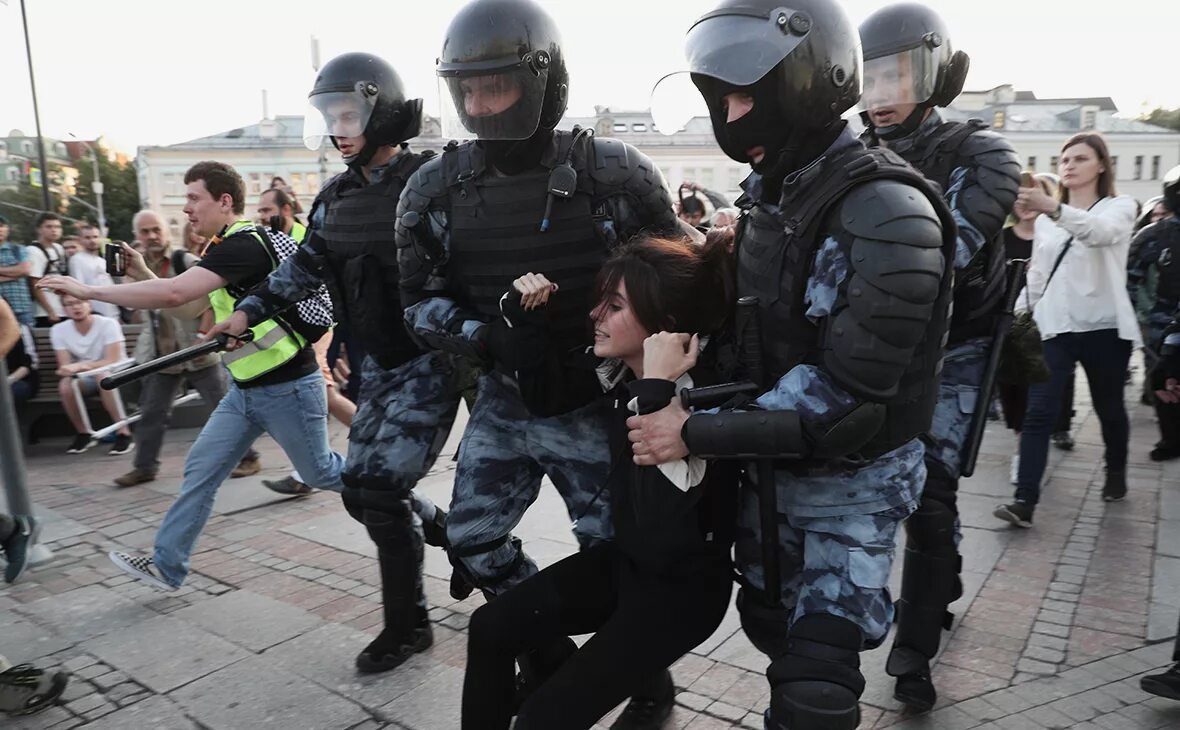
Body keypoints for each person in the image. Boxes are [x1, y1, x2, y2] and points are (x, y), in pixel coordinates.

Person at [642, 1, 956, 727]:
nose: (731, 116)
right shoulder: (772, 197)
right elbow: (751, 335)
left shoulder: (885, 208)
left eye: (744, 94)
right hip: (772, 471)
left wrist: (691, 431)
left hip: (854, 480)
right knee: (771, 629)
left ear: (807, 81)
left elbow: (848, 394)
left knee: (817, 681)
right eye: (719, 99)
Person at [397, 0, 681, 713]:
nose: (480, 103)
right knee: (472, 538)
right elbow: (418, 303)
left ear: (542, 81)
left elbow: (676, 281)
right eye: (468, 88)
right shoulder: (433, 188)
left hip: (599, 396)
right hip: (504, 393)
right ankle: (547, 650)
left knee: (614, 550)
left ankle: (644, 679)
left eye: (497, 85)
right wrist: (485, 336)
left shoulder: (613, 174)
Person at [205, 52, 456, 674]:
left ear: (385, 112)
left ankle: (411, 620)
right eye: (332, 116)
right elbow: (300, 271)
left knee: (376, 486)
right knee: (362, 495)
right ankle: (445, 545)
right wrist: (247, 312)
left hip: (434, 363)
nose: (339, 128)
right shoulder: (335, 199)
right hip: (382, 371)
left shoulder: (434, 182)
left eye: (350, 114)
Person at [463, 232, 739, 730]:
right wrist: (522, 317)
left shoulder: (695, 403)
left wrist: (656, 389)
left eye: (614, 306)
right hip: (627, 566)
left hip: (679, 596)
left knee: (540, 721)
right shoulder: (618, 372)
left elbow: (661, 524)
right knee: (490, 627)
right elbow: (547, 395)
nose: (595, 315)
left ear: (665, 328)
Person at [38, 161, 341, 591]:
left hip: (288, 387)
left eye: (194, 198)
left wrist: (89, 291)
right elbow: (187, 308)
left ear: (225, 201)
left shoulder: (244, 245)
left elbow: (176, 293)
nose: (186, 209)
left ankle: (397, 492)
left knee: (321, 473)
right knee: (200, 469)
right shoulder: (220, 251)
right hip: (245, 391)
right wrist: (144, 272)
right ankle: (168, 566)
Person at [858, 4, 1022, 711]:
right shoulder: (849, 153)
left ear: (931, 73)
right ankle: (940, 582)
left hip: (952, 349)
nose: (881, 93)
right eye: (869, 78)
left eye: (895, 75)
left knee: (929, 493)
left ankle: (914, 650)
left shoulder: (980, 152)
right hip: (873, 344)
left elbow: (948, 248)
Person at [994, 133, 1140, 527]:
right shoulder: (1046, 222)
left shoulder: (1121, 206)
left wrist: (1053, 208)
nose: (1069, 165)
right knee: (1039, 414)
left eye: (1079, 158)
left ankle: (1115, 471)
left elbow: (1099, 234)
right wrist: (1016, 317)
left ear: (1102, 165)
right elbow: (1038, 277)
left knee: (1110, 408)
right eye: (1064, 160)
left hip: (1105, 327)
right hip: (1055, 327)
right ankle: (1024, 501)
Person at [111, 210, 262, 487]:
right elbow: (135, 306)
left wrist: (204, 335)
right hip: (163, 354)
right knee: (152, 413)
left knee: (222, 406)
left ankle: (249, 457)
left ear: (166, 232)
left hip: (196, 350)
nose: (152, 236)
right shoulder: (140, 264)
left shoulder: (183, 259)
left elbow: (211, 295)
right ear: (137, 236)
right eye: (145, 232)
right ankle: (144, 467)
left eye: (156, 229)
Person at [997, 173, 1060, 483]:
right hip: (1009, 328)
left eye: (1033, 196)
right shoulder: (1001, 238)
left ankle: (1026, 456)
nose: (1026, 203)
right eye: (1020, 197)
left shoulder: (1056, 238)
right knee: (1012, 392)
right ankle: (1024, 445)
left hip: (1046, 327)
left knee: (1036, 396)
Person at [1128, 165, 1180, 461]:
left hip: (1162, 324)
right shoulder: (1153, 235)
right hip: (1161, 324)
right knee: (1162, 382)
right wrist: (1140, 321)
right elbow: (1131, 281)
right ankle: (1171, 438)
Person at [50, 293, 134, 455]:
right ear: (64, 309)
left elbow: (112, 360)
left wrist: (80, 366)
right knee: (66, 385)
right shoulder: (58, 330)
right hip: (86, 376)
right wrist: (74, 369)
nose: (76, 307)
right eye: (69, 304)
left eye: (79, 302)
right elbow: (65, 366)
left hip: (118, 373)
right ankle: (84, 433)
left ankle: (123, 433)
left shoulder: (108, 324)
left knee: (103, 377)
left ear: (89, 304)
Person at [66, 225, 120, 319]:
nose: (92, 240)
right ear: (80, 240)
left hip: (112, 312)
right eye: (87, 237)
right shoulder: (77, 260)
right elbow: (79, 287)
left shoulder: (102, 261)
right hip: (93, 313)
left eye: (95, 237)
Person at [26, 213, 67, 326]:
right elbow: (35, 283)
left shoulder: (59, 249)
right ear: (39, 229)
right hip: (44, 312)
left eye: (57, 227)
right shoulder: (33, 251)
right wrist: (50, 311)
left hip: (63, 308)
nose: (54, 230)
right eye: (49, 227)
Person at [0, 215, 36, 328]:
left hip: (21, 308)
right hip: (1, 311)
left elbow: (25, 270)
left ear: (8, 229)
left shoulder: (18, 249)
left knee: (27, 343)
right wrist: (15, 274)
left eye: (1, 226)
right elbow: (20, 271)